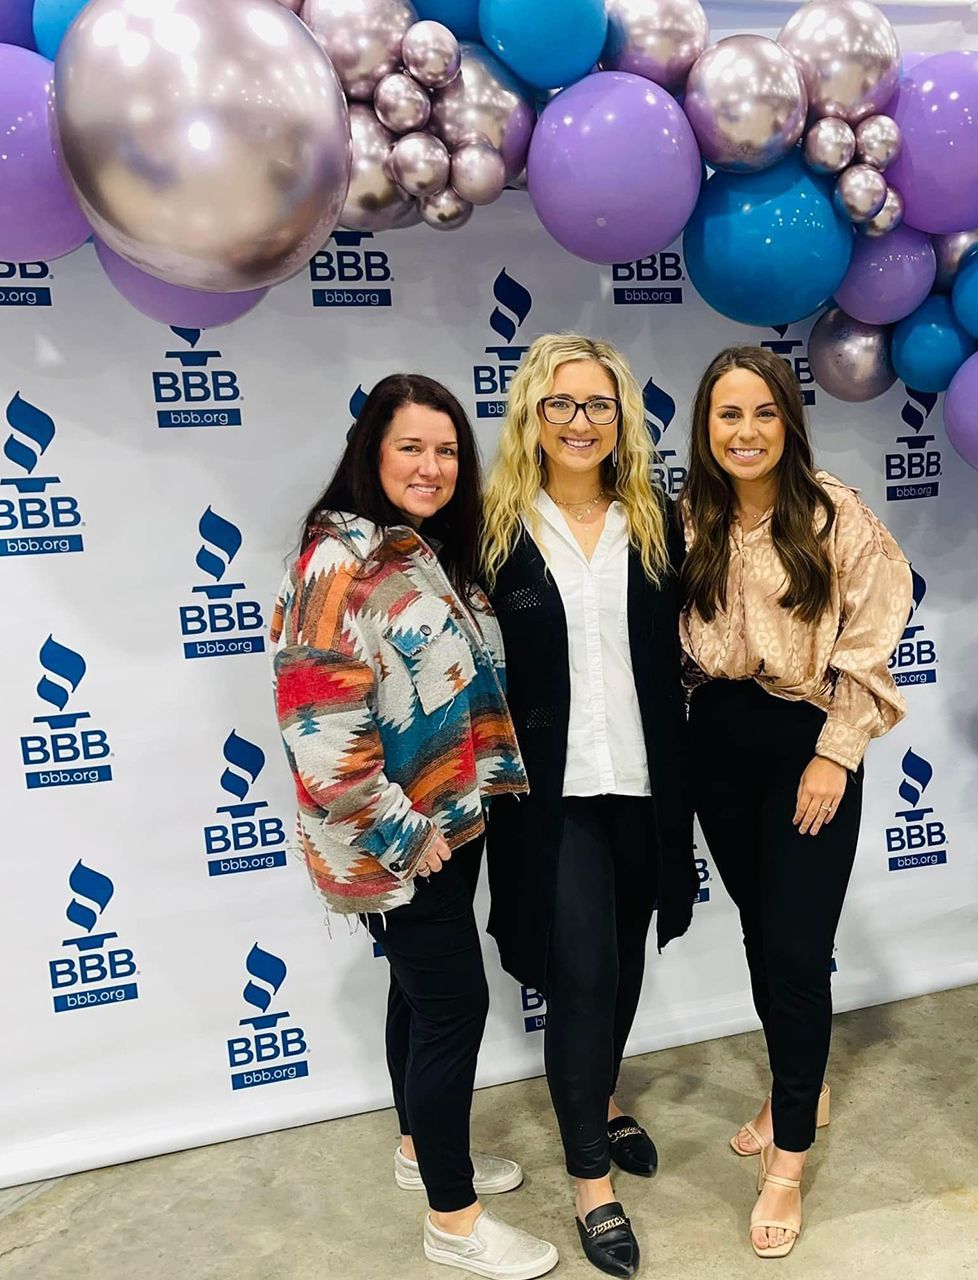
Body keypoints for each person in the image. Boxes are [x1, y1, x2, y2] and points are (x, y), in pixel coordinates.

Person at [270, 374, 558, 1280]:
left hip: (446, 824)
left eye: (445, 451)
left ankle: (415, 1148)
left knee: (416, 996)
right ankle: (453, 1222)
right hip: (397, 843)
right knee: (453, 1011)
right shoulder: (336, 562)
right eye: (411, 448)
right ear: (372, 452)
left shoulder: (415, 551)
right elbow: (317, 727)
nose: (432, 467)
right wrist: (402, 831)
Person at [679, 347, 912, 1260]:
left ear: (789, 421)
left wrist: (837, 754)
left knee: (795, 947)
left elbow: (871, 635)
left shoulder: (832, 511)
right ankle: (795, 1083)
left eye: (763, 413)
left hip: (806, 746)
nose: (746, 433)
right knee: (755, 930)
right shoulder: (683, 520)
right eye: (728, 415)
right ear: (705, 427)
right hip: (716, 748)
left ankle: (789, 1156)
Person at [482, 334, 697, 1278]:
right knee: (578, 972)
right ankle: (589, 1186)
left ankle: (601, 1096)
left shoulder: (657, 524)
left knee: (620, 966)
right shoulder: (492, 529)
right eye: (561, 404)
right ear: (532, 414)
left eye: (598, 405)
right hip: (548, 793)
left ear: (622, 420)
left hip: (645, 784)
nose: (580, 422)